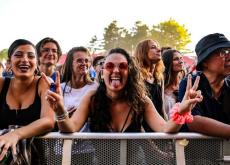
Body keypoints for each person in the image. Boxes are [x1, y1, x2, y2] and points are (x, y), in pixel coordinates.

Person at [44, 47, 202, 133]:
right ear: (102, 71)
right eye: (110, 66)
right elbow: (70, 128)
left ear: (130, 72)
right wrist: (59, 110)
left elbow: (165, 129)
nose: (116, 71)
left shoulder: (141, 101)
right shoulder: (92, 97)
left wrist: (182, 111)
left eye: (123, 66)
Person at [0, 39, 55, 161]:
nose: (25, 60)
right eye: (18, 55)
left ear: (36, 62)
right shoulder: (1, 83)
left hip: (35, 159)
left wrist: (15, 134)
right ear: (9, 61)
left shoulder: (44, 83)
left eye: (31, 56)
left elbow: (49, 120)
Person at [178, 33, 230, 137]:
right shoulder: (191, 83)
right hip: (194, 151)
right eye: (223, 52)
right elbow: (193, 120)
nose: (229, 57)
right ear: (205, 61)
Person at [134, 39, 167, 132]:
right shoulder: (137, 77)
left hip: (159, 127)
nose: (159, 50)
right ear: (143, 52)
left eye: (158, 47)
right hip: (142, 132)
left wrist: (167, 129)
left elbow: (162, 108)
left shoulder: (159, 78)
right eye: (153, 47)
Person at [61, 46, 98, 118]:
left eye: (86, 61)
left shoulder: (95, 87)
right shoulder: (61, 88)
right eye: (79, 60)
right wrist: (64, 117)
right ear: (70, 64)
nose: (84, 63)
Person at [162, 49, 185, 116]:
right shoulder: (161, 86)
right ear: (168, 62)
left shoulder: (185, 83)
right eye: (176, 59)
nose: (181, 61)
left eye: (181, 58)